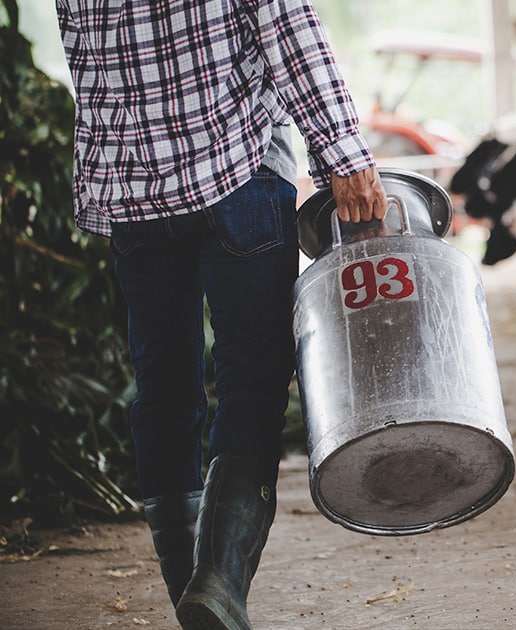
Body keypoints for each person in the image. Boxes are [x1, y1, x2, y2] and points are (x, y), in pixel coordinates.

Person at [55, 2, 386, 628]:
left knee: (164, 386)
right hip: (237, 169)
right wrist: (342, 151)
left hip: (132, 188)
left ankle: (194, 591)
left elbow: (85, 52)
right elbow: (286, 23)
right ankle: (220, 583)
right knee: (253, 376)